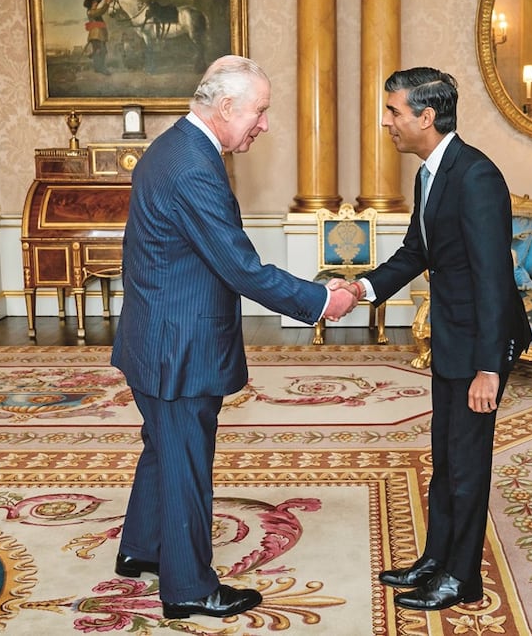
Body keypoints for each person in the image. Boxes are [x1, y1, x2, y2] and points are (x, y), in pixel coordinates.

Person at [110, 55, 357, 619]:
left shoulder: (175, 145)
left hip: (157, 333)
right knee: (185, 462)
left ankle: (143, 548)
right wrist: (322, 300)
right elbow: (241, 268)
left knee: (163, 447)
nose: (264, 124)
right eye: (260, 111)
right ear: (225, 108)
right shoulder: (194, 165)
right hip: (178, 345)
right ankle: (190, 588)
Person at [345, 67, 532, 611]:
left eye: (394, 112)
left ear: (426, 117)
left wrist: (490, 368)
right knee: (447, 457)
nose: (387, 122)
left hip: (478, 346)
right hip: (452, 338)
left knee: (468, 463)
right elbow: (416, 252)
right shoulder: (431, 172)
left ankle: (462, 578)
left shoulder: (475, 176)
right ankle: (436, 559)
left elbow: (493, 278)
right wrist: (362, 287)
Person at [84, 0, 111, 75]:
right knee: (100, 51)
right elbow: (101, 11)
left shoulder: (94, 11)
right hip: (96, 35)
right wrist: (107, 3)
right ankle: (100, 68)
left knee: (101, 51)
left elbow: (100, 11)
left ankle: (98, 68)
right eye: (95, 2)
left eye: (96, 2)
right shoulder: (91, 12)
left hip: (100, 35)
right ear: (91, 4)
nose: (96, 3)